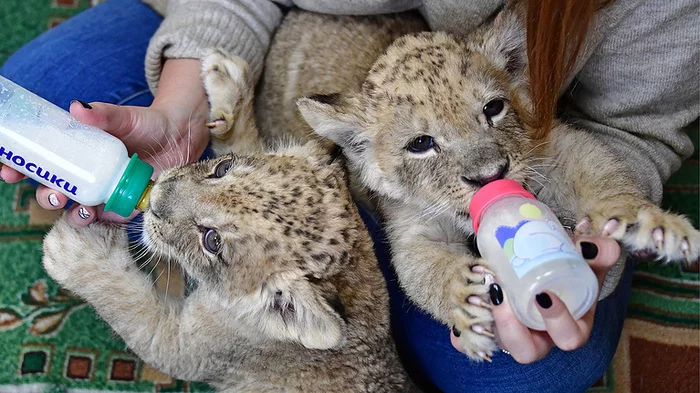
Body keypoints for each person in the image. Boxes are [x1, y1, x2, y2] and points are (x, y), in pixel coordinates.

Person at [0, 0, 695, 392]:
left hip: (433, 154)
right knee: (38, 96)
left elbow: (621, 131)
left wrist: (605, 216)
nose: (482, 170)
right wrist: (182, 99)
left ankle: (249, 213)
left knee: (547, 365)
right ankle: (238, 194)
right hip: (306, 53)